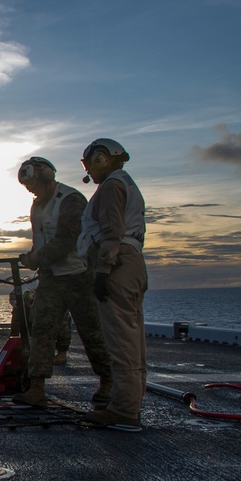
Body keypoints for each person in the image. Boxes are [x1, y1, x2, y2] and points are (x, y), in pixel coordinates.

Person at [11, 157, 113, 409]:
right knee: (41, 328)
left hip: (78, 276)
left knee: (92, 332)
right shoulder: (37, 206)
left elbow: (67, 240)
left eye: (33, 184)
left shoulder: (72, 200)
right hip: (51, 278)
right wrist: (35, 256)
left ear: (47, 177)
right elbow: (42, 240)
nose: (31, 190)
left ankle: (109, 382)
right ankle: (37, 387)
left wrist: (36, 258)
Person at [77, 139, 148, 431]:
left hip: (117, 264)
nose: (89, 171)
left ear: (101, 159)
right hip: (130, 263)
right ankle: (128, 404)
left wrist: (103, 270)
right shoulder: (125, 184)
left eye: (89, 164)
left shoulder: (110, 187)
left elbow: (111, 232)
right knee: (131, 338)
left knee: (120, 340)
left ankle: (123, 411)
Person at [9, 288, 71, 364]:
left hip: (49, 306)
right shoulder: (27, 285)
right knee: (18, 313)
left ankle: (62, 353)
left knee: (62, 317)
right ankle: (14, 350)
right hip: (31, 308)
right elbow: (14, 297)